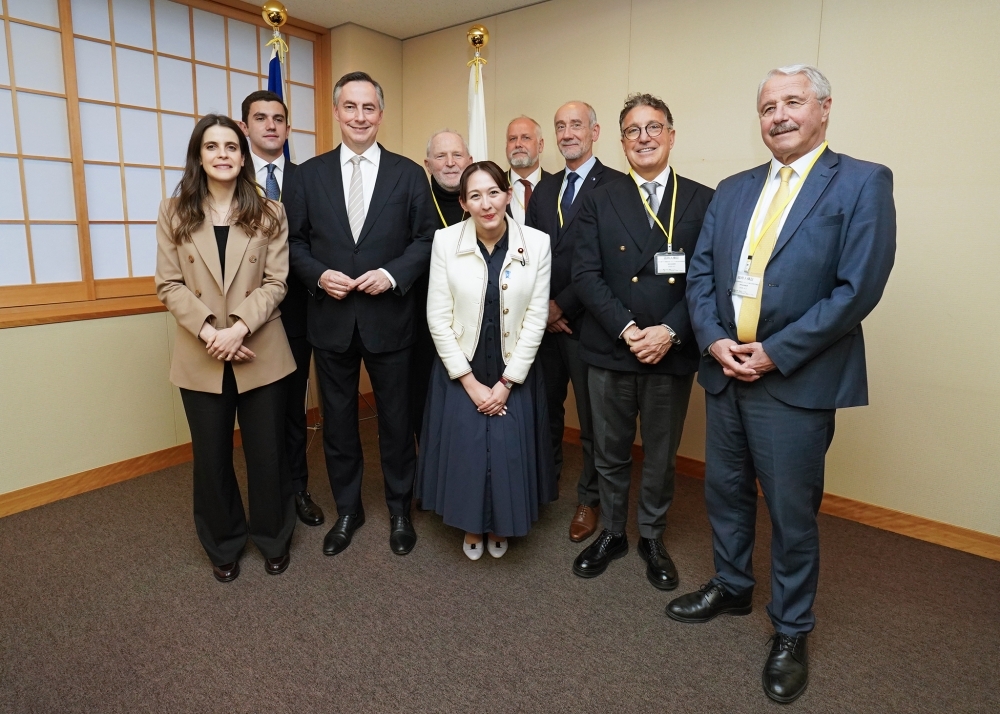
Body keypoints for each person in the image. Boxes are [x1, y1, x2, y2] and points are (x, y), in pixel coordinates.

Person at [670, 65, 896, 704]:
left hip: (795, 380)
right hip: (726, 370)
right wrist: (714, 339)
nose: (779, 116)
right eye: (768, 106)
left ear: (824, 108)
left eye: (793, 102)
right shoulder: (733, 189)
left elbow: (857, 290)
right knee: (725, 492)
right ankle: (732, 586)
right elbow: (701, 276)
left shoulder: (862, 182)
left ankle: (792, 629)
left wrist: (774, 353)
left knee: (792, 514)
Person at [287, 72, 436, 557]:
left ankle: (399, 510)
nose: (359, 116)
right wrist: (317, 275)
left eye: (368, 107)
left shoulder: (408, 173)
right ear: (336, 112)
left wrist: (392, 275)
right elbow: (293, 243)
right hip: (331, 321)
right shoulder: (308, 175)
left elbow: (426, 239)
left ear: (380, 113)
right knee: (338, 424)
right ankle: (348, 510)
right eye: (350, 107)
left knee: (396, 423)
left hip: (390, 319)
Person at [570, 94, 714, 590]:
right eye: (633, 130)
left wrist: (669, 332)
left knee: (660, 453)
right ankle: (613, 532)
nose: (644, 138)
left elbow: (707, 279)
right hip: (613, 346)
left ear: (671, 136)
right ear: (621, 141)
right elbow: (585, 275)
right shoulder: (599, 197)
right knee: (608, 450)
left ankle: (652, 535)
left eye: (654, 127)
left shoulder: (702, 199)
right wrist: (630, 330)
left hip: (670, 349)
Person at [155, 114, 296, 582]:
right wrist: (211, 333)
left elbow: (277, 282)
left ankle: (273, 537)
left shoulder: (270, 211)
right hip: (202, 351)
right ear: (199, 156)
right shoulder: (174, 212)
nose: (222, 154)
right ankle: (223, 543)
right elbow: (168, 284)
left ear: (243, 155)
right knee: (211, 457)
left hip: (260, 349)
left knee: (267, 455)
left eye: (231, 147)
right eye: (212, 146)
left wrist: (237, 328)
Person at [416, 161, 555, 560]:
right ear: (463, 203)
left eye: (494, 192)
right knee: (469, 449)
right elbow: (437, 317)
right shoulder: (445, 241)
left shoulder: (537, 243)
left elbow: (536, 318)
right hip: (463, 365)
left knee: (508, 450)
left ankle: (501, 525)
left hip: (514, 365)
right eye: (475, 196)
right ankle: (472, 525)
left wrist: (509, 382)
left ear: (508, 195)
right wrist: (468, 380)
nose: (486, 203)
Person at [526, 101, 626, 543]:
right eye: (560, 126)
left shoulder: (618, 186)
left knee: (593, 422)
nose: (568, 133)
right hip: (544, 326)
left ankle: (589, 498)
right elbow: (529, 255)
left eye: (576, 125)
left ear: (595, 132)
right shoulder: (544, 189)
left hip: (590, 326)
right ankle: (542, 486)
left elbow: (610, 264)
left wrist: (561, 307)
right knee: (544, 411)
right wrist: (543, 309)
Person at [238, 90, 324, 528]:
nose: (270, 125)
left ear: (288, 128)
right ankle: (263, 498)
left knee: (292, 409)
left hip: (295, 316)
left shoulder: (308, 178)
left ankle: (297, 490)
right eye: (260, 118)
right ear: (244, 127)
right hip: (240, 319)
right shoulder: (228, 176)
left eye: (278, 119)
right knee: (257, 416)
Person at [411, 130, 473, 441]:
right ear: (428, 164)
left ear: (469, 161)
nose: (450, 163)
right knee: (424, 401)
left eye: (457, 155)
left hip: (473, 321)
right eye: (440, 156)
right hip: (422, 322)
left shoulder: (483, 201)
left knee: (468, 404)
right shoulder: (413, 200)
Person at [505, 116, 551, 224]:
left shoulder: (557, 186)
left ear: (540, 145)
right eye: (512, 139)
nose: (518, 144)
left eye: (525, 138)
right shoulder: (494, 186)